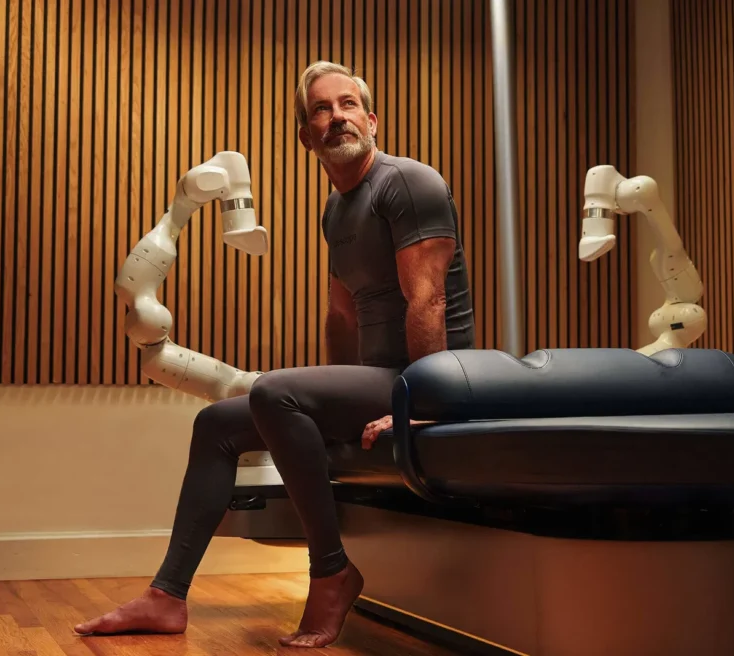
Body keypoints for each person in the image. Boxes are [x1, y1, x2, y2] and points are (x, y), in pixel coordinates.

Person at [73, 60, 476, 648]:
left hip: (436, 380)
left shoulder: (407, 183)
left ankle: (331, 570)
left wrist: (420, 406)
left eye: (347, 105)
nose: (336, 117)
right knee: (216, 423)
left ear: (373, 120)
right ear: (305, 136)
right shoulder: (337, 210)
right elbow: (341, 315)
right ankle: (166, 596)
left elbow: (429, 299)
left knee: (271, 391)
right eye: (320, 109)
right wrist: (334, 400)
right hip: (384, 379)